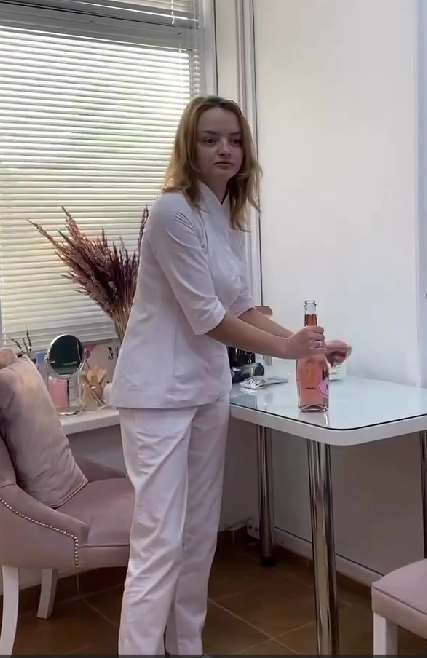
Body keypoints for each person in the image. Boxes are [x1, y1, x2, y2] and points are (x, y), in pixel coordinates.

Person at [110, 95, 351, 656]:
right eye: (210, 139)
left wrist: (309, 347)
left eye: (235, 140)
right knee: (159, 543)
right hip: (157, 397)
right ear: (189, 147)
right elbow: (208, 317)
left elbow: (242, 308)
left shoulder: (228, 218)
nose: (225, 149)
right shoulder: (172, 212)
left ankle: (186, 647)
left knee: (198, 539)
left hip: (206, 390)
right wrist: (288, 349)